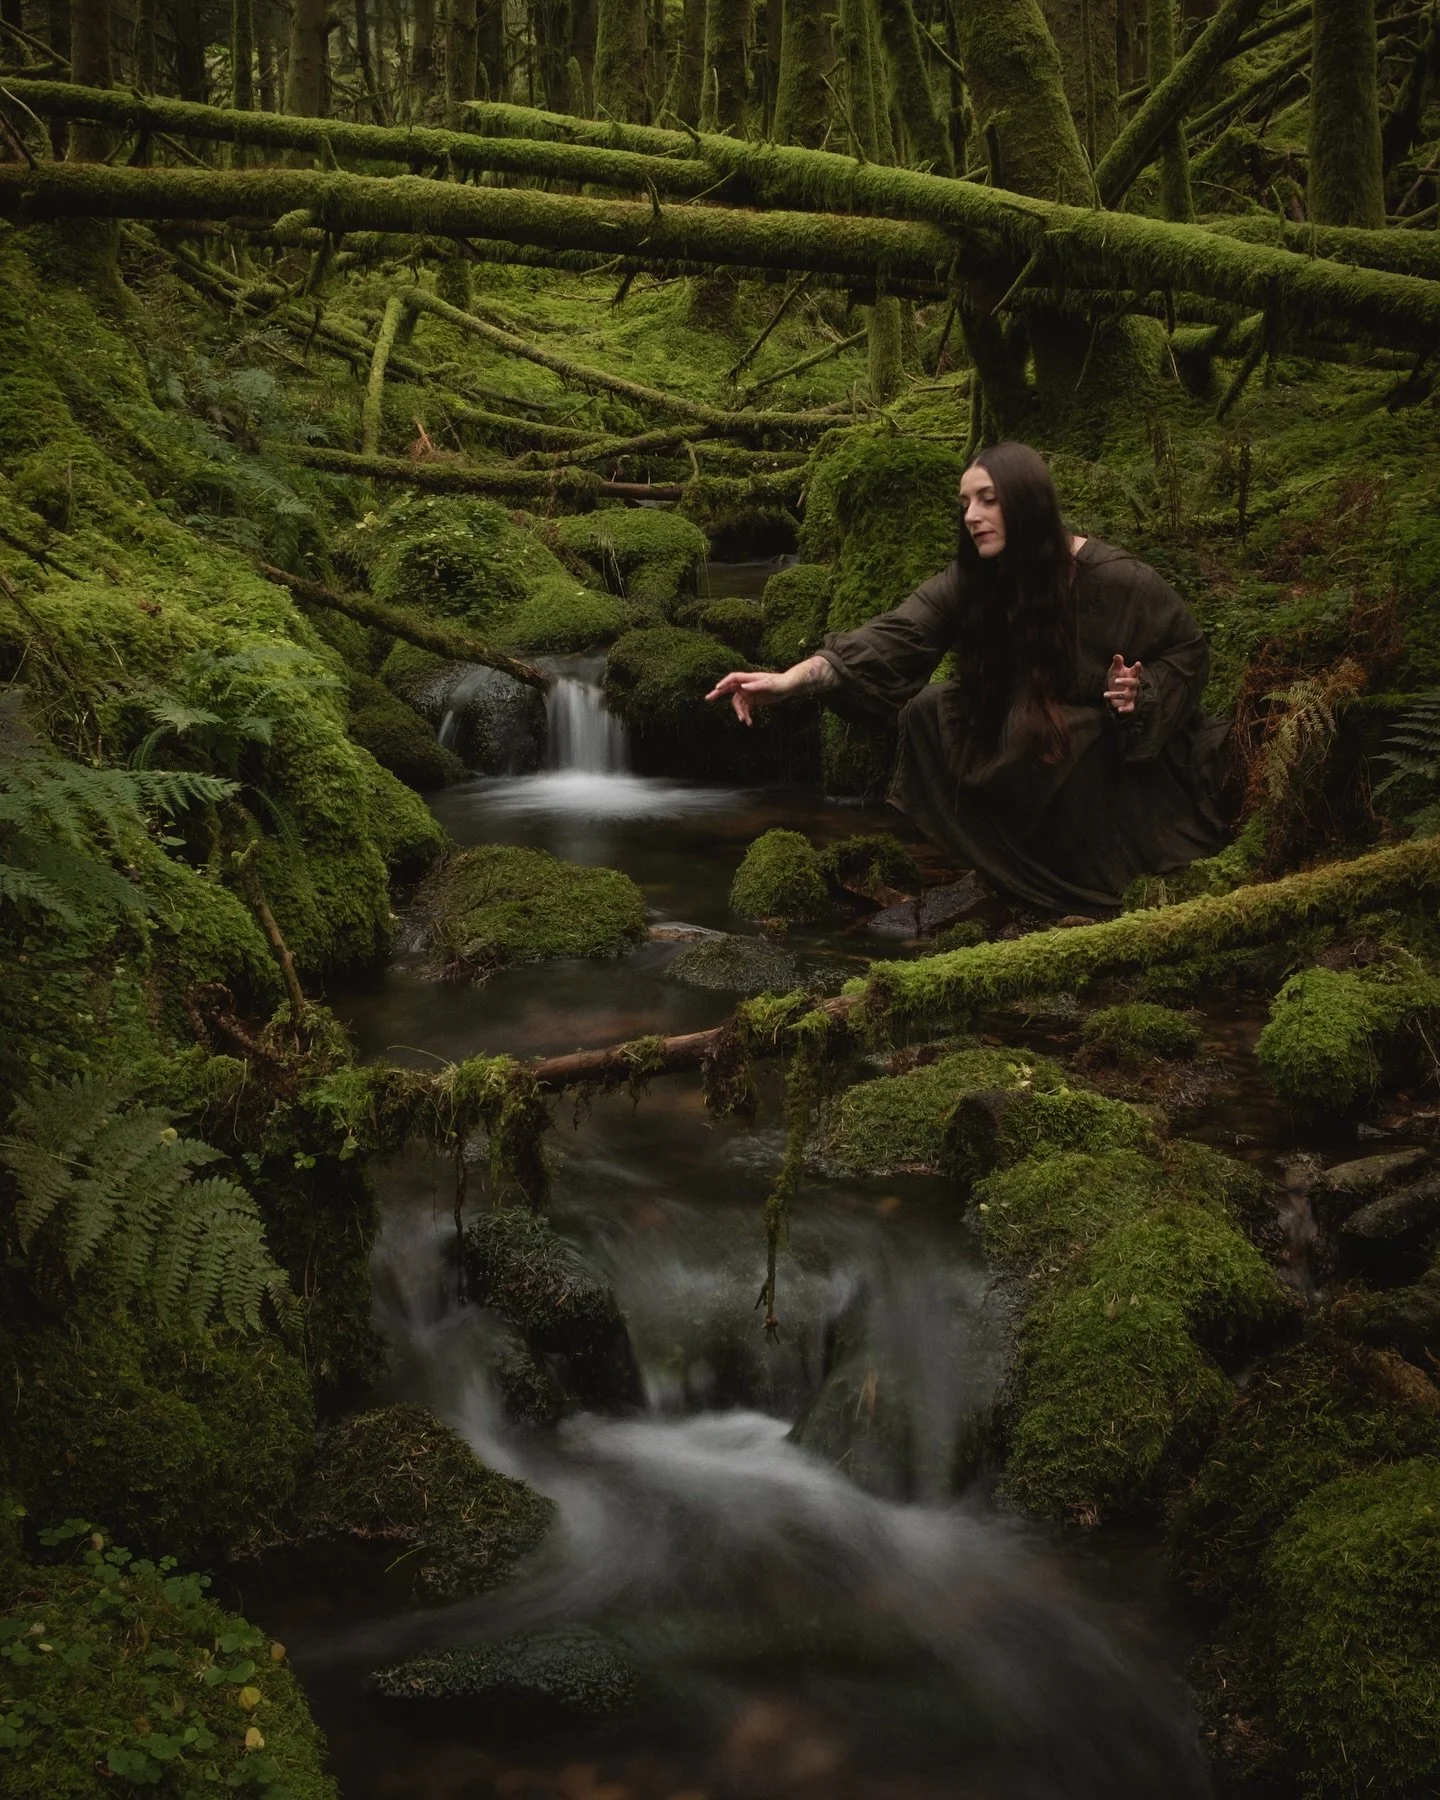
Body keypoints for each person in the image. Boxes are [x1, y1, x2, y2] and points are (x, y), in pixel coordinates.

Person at [705, 441, 1237, 915]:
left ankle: (1081, 882)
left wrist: (1141, 693)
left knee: (1058, 737)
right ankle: (1010, 868)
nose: (972, 516)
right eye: (965, 504)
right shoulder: (973, 580)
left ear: (1026, 503)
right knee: (932, 711)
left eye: (988, 499)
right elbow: (894, 636)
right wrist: (789, 681)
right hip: (1032, 725)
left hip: (1107, 745)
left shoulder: (1117, 578)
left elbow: (1187, 649)